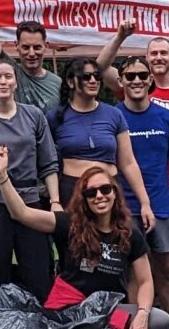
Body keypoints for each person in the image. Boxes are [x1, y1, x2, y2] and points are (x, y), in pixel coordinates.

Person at [0, 60, 61, 297]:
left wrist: (56, 200)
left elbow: (48, 163)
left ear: (16, 82)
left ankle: (40, 321)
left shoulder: (34, 116)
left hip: (29, 200)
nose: (3, 81)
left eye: (8, 76)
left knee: (38, 269)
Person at [114, 54, 169, 314]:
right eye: (130, 76)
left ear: (151, 79)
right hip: (126, 207)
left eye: (141, 75)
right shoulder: (114, 116)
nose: (136, 80)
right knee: (134, 271)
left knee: (167, 270)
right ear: (121, 81)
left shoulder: (166, 117)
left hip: (162, 205)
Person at [48, 167, 161, 329]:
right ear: (84, 199)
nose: (99, 196)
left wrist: (143, 313)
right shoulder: (69, 224)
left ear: (115, 193)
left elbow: (145, 281)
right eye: (91, 193)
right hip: (71, 310)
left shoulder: (130, 233)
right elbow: (21, 213)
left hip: (111, 311)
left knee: (161, 322)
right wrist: (2, 176)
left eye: (105, 189)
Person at [51, 52, 150, 215]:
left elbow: (128, 162)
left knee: (114, 237)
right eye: (86, 77)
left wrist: (145, 203)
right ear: (70, 82)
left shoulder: (114, 114)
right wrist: (54, 200)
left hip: (108, 189)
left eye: (96, 76)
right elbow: (49, 164)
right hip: (72, 190)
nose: (92, 81)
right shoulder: (55, 117)